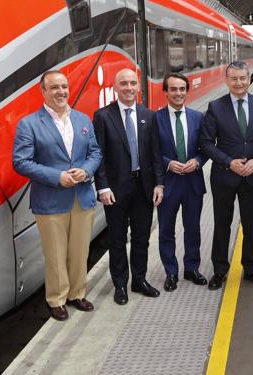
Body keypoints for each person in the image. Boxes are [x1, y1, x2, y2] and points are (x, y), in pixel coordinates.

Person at [12, 70, 102, 321]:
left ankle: (77, 293)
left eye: (64, 86)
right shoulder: (29, 124)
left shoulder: (83, 120)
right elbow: (20, 162)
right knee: (55, 254)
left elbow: (95, 153)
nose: (61, 92)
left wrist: (85, 171)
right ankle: (57, 299)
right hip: (51, 199)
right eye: (54, 88)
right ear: (43, 91)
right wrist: (56, 176)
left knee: (79, 250)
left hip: (82, 196)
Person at [93, 69, 164, 305]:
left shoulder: (148, 115)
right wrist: (102, 187)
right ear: (115, 88)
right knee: (117, 239)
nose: (129, 87)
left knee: (141, 237)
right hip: (115, 190)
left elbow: (155, 154)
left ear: (138, 87)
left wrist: (159, 184)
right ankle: (120, 284)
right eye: (123, 83)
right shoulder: (103, 116)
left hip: (143, 188)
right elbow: (98, 156)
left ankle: (139, 280)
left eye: (133, 83)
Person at [200, 62, 253, 290]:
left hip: (252, 175)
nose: (239, 83)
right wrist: (228, 162)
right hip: (224, 176)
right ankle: (220, 270)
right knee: (222, 224)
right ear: (226, 80)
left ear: (249, 79)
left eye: (242, 78)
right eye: (234, 79)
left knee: (251, 225)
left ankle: (251, 269)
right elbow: (205, 143)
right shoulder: (215, 107)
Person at [155, 72, 207, 291]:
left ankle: (192, 268)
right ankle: (171, 272)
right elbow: (151, 152)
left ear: (187, 91)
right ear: (165, 92)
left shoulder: (198, 117)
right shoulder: (154, 119)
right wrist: (168, 163)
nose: (178, 93)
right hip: (169, 182)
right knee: (166, 229)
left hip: (193, 181)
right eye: (173, 89)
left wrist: (197, 161)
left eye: (182, 89)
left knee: (193, 227)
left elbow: (206, 148)